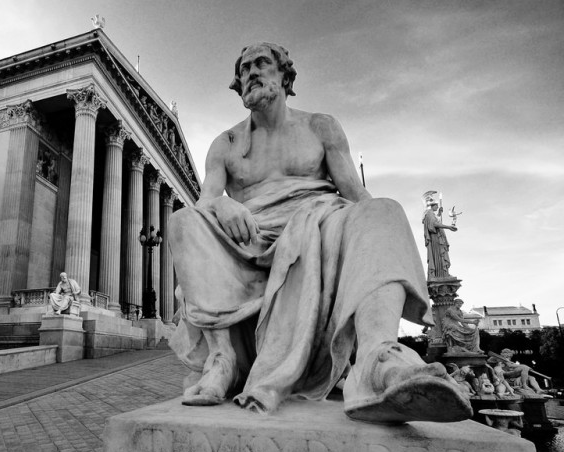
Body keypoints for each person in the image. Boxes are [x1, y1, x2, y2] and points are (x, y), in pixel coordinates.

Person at [168, 42, 470, 423]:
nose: (251, 73)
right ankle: (222, 359)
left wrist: (376, 224)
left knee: (385, 210)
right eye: (244, 69)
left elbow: (355, 192)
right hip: (249, 237)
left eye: (261, 63)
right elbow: (205, 201)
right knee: (182, 222)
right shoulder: (225, 144)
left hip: (319, 223)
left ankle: (379, 359)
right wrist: (220, 205)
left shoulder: (319, 127)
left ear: (284, 75)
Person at [422, 198, 457, 279]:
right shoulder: (429, 213)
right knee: (439, 255)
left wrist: (439, 213)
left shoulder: (431, 214)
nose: (437, 207)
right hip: (436, 238)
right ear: (433, 206)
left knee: (441, 255)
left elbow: (435, 221)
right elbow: (434, 224)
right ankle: (440, 275)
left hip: (437, 237)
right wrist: (448, 227)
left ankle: (444, 274)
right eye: (436, 206)